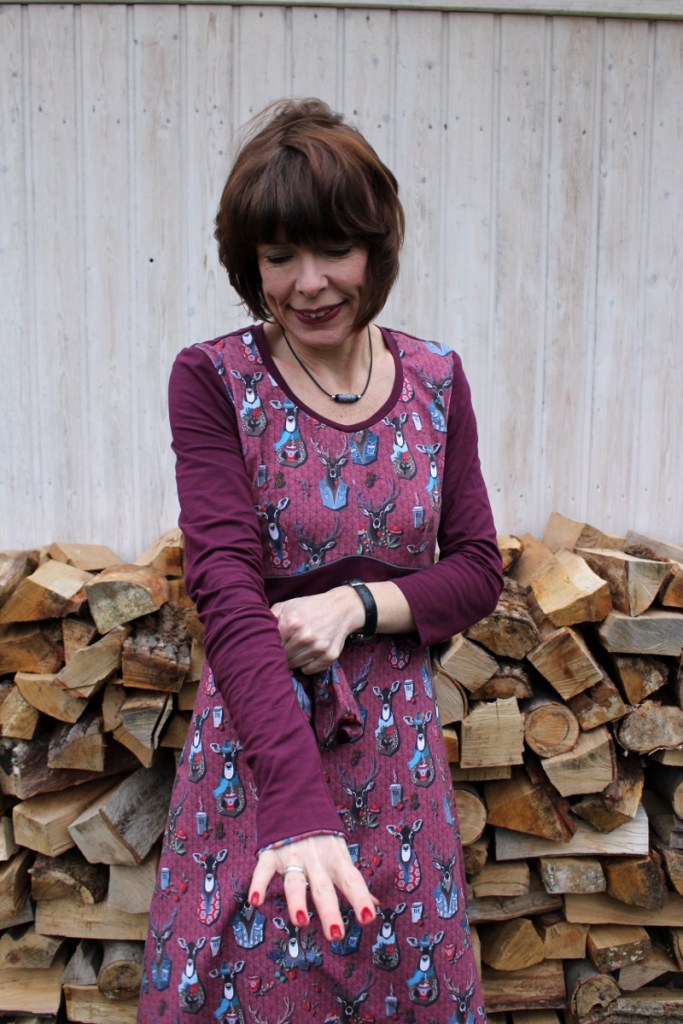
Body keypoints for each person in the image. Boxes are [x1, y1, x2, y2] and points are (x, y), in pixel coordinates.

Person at [137, 97, 502, 1024]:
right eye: (277, 257)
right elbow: (225, 589)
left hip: (399, 767)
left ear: (375, 248)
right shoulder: (213, 380)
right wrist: (294, 809)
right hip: (259, 757)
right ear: (248, 264)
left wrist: (355, 605)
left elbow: (475, 567)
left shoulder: (436, 380)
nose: (308, 284)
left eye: (333, 249)